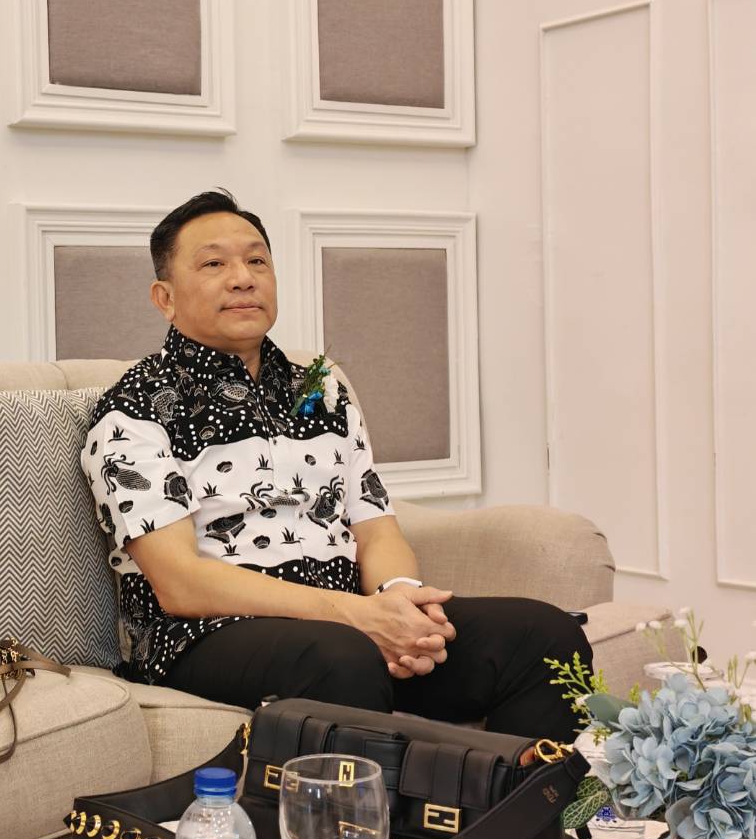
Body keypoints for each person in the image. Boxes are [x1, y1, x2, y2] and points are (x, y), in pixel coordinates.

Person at [81, 190, 591, 742]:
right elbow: (180, 584)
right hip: (205, 634)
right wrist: (355, 616)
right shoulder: (135, 409)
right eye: (213, 264)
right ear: (165, 298)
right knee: (341, 657)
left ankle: (518, 800)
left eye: (257, 260)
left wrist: (398, 600)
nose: (243, 278)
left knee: (543, 636)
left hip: (350, 623)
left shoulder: (321, 392)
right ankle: (373, 803)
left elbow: (377, 529)